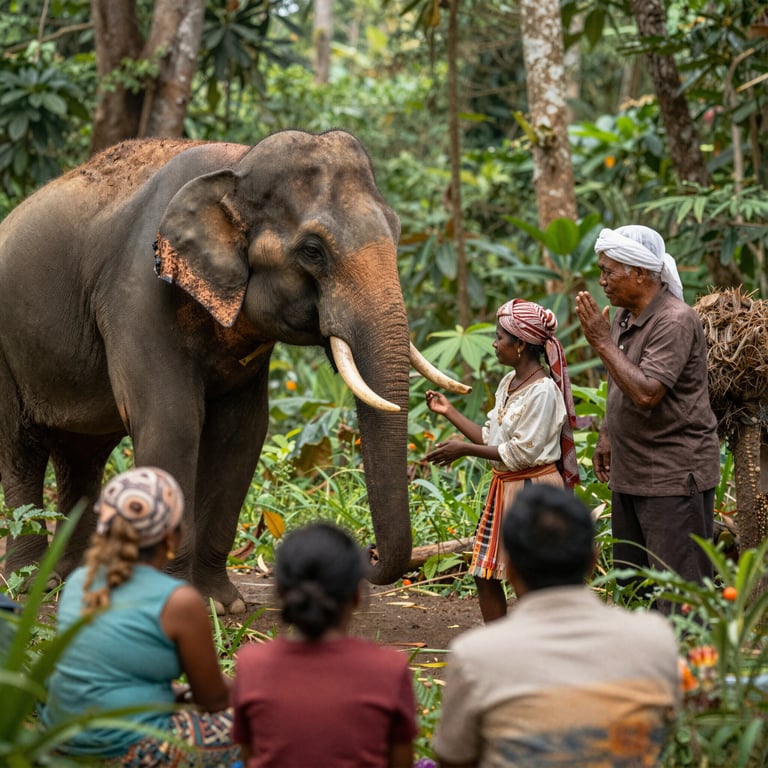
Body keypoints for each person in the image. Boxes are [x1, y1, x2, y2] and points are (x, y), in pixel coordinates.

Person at [433, 484, 680, 768]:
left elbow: (454, 759)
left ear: (510, 568)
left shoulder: (475, 657)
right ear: (592, 562)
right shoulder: (655, 639)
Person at [41, 467, 239, 768]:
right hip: (125, 748)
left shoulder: (81, 580)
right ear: (173, 536)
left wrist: (171, 693)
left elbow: (100, 676)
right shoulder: (179, 601)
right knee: (251, 724)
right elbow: (213, 700)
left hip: (58, 737)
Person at [575, 225, 720, 606]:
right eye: (602, 270)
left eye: (609, 271)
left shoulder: (674, 320)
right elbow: (620, 377)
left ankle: (690, 664)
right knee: (636, 584)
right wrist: (608, 431)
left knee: (679, 594)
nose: (602, 280)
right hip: (633, 472)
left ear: (640, 273)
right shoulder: (625, 316)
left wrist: (602, 341)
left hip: (672, 475)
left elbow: (646, 392)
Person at [425, 299, 579, 622]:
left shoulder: (543, 392)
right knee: (485, 573)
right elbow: (492, 439)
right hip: (505, 487)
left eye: (500, 338)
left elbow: (520, 453)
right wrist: (449, 411)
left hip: (533, 488)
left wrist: (462, 450)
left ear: (520, 344)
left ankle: (540, 649)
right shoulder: (507, 384)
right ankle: (501, 642)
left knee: (528, 578)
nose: (494, 344)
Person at [231, 522, 417, 768]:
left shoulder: (252, 664)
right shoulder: (389, 669)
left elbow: (249, 756)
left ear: (281, 593)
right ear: (357, 595)